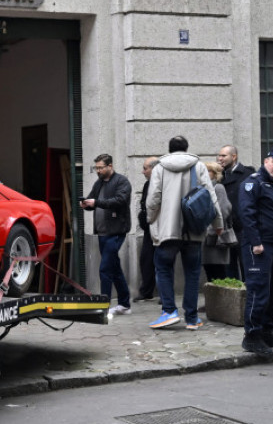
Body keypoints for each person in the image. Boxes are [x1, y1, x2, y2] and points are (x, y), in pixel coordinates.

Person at [145, 136, 221, 330]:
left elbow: (153, 198)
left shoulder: (159, 168)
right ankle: (192, 318)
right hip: (193, 230)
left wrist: (152, 220)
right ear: (187, 148)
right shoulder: (199, 166)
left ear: (169, 150)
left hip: (167, 230)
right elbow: (210, 197)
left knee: (163, 269)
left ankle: (169, 311)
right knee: (193, 273)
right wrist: (217, 223)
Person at [239, 147, 273, 357]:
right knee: (258, 291)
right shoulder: (253, 183)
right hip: (259, 246)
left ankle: (268, 330)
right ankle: (252, 336)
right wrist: (256, 242)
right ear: (265, 161)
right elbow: (246, 213)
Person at [82, 153, 133, 315]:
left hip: (116, 231)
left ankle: (103, 306)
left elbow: (119, 201)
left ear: (110, 166)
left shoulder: (122, 181)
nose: (98, 171)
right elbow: (92, 200)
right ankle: (124, 304)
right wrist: (86, 204)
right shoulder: (98, 183)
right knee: (114, 267)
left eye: (100, 167)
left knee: (105, 268)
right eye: (96, 168)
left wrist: (96, 203)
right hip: (102, 232)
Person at [217, 145, 255, 279]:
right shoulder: (219, 175)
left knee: (246, 263)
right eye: (219, 155)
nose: (219, 158)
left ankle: (248, 294)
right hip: (226, 227)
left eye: (223, 156)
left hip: (242, 226)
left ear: (234, 157)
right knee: (229, 265)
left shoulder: (247, 174)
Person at [201, 161, 236, 283]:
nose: (204, 173)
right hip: (205, 236)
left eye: (208, 170)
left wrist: (213, 228)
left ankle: (220, 299)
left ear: (215, 174)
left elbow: (224, 209)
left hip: (216, 237)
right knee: (209, 269)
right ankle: (213, 298)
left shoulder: (218, 187)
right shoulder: (202, 188)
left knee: (219, 270)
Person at [135, 157, 159, 301]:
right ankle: (146, 291)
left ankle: (164, 294)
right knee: (146, 259)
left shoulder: (162, 184)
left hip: (161, 229)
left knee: (162, 261)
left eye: (145, 168)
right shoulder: (147, 185)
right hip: (148, 229)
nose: (143, 171)